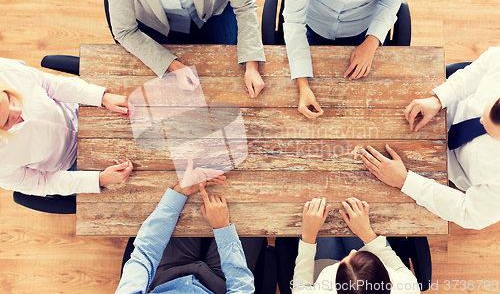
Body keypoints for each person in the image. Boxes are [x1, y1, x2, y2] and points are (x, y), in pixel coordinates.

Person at [359, 47, 500, 230]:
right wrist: (439, 99)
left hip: (450, 170)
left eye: (491, 131)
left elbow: (468, 213)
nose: (480, 120)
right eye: (486, 112)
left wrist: (404, 181)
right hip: (446, 111)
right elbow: (482, 68)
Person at [106, 0, 266, 98]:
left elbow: (244, 4)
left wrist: (251, 65)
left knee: (229, 67)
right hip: (158, 24)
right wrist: (174, 67)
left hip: (213, 11)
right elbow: (124, 31)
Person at [116, 159, 265, 294]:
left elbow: (145, 254)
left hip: (167, 276)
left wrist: (181, 191)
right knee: (255, 210)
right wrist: (223, 229)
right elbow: (242, 289)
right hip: (221, 285)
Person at [283, 0, 409, 119]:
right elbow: (294, 20)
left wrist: (371, 42)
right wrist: (303, 85)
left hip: (363, 29)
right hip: (312, 23)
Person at [0, 57, 134, 196]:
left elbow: (49, 84)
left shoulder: (3, 71)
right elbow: (42, 182)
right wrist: (99, 180)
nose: (19, 111)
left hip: (78, 111)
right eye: (7, 120)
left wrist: (101, 97)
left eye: (9, 98)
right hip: (69, 168)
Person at [292, 197, 419, 293]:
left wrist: (308, 236)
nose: (352, 251)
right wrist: (367, 234)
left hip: (323, 270)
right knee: (351, 204)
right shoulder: (408, 288)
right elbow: (396, 265)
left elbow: (301, 289)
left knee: (314, 205)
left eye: (342, 263)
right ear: (391, 282)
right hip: (367, 250)